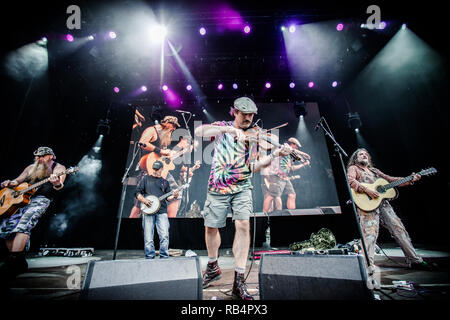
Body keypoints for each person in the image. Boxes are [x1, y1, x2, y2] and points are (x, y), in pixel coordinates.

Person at [194, 96, 292, 300]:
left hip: (242, 187)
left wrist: (275, 155)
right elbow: (199, 132)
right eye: (244, 114)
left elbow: (255, 167)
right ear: (235, 112)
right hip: (217, 187)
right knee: (211, 227)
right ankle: (213, 266)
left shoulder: (256, 136)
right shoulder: (223, 127)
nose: (248, 118)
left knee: (243, 225)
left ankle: (239, 279)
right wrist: (228, 130)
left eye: (251, 115)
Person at [347, 148, 434, 279]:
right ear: (355, 158)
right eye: (360, 154)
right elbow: (350, 180)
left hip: (383, 204)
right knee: (369, 234)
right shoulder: (354, 168)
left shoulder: (374, 171)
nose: (364, 155)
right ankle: (367, 266)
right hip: (367, 205)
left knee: (399, 229)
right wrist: (367, 190)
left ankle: (415, 260)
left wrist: (410, 179)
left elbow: (391, 180)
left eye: (366, 154)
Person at [0, 147, 66, 280]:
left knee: (24, 223)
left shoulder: (58, 168)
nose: (40, 159)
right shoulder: (31, 167)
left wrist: (57, 182)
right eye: (38, 156)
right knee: (6, 227)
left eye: (43, 156)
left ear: (51, 156)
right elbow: (17, 181)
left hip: (41, 199)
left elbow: (59, 186)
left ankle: (13, 260)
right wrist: (9, 183)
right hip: (21, 199)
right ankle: (18, 261)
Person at [129, 115, 189, 218]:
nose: (174, 129)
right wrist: (160, 151)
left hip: (162, 171)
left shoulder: (165, 136)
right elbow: (141, 143)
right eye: (173, 126)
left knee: (176, 194)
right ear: (166, 123)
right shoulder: (152, 130)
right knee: (140, 204)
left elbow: (164, 157)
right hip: (148, 169)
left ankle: (171, 221)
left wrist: (179, 152)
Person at [135, 160, 179, 259]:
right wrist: (144, 200)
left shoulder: (165, 182)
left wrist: (174, 196)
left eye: (157, 169)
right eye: (154, 169)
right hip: (148, 211)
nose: (155, 171)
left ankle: (164, 256)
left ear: (162, 169)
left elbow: (168, 198)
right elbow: (137, 192)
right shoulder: (146, 179)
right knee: (148, 237)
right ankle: (149, 256)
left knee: (164, 236)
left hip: (161, 211)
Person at [263, 137, 310, 213]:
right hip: (275, 175)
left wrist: (304, 164)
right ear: (292, 144)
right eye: (296, 145)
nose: (297, 147)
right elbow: (292, 150)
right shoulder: (284, 147)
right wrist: (304, 154)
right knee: (271, 196)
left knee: (292, 195)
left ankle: (292, 214)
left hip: (284, 178)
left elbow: (291, 168)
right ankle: (264, 214)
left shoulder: (291, 156)